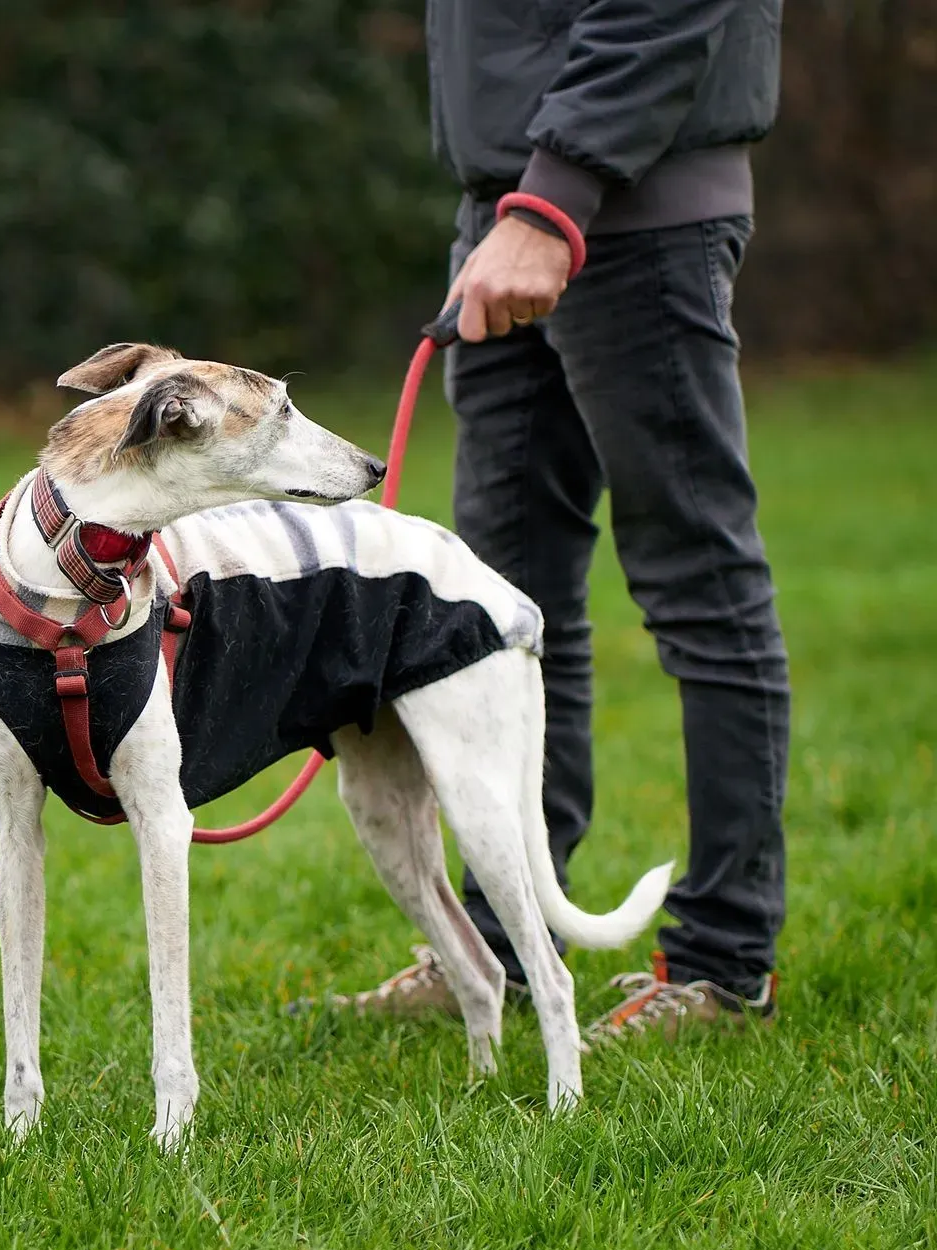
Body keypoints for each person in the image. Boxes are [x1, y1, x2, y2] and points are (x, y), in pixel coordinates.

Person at [332, 0, 789, 1039]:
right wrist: (511, 208)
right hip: (503, 222)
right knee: (503, 618)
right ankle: (496, 946)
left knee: (698, 590)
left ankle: (724, 965)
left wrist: (550, 204)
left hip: (630, 217)